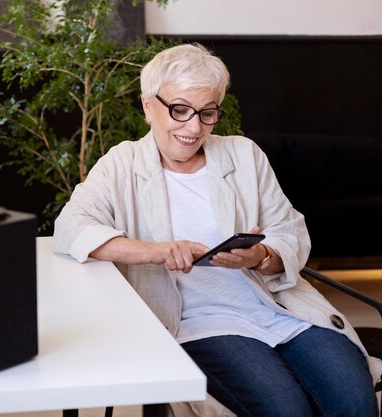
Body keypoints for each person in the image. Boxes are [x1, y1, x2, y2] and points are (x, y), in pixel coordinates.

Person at [53, 43, 381, 417]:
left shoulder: (243, 155)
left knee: (356, 404)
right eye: (180, 110)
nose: (194, 128)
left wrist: (262, 256)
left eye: (207, 113)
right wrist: (157, 251)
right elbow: (69, 228)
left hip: (275, 307)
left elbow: (288, 229)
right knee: (286, 409)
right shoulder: (121, 164)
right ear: (148, 105)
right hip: (200, 323)